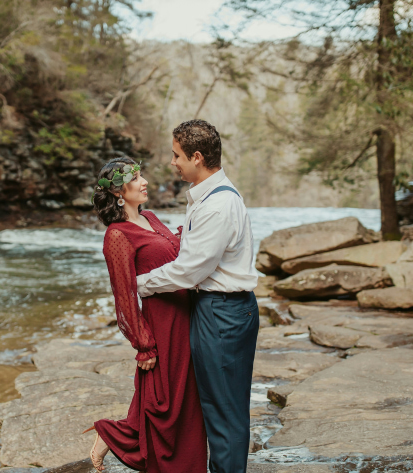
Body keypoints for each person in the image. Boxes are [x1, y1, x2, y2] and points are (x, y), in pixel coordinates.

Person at [136, 119, 259, 473]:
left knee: (224, 413)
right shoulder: (207, 198)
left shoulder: (217, 206)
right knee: (217, 407)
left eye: (177, 156)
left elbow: (190, 270)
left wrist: (140, 284)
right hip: (218, 311)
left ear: (198, 157)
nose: (172, 162)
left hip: (223, 314)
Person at [85, 157, 208, 472]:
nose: (145, 183)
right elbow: (124, 294)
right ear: (117, 192)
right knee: (161, 402)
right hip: (161, 324)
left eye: (142, 176)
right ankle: (113, 437)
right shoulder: (117, 235)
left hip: (186, 317)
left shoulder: (151, 218)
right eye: (136, 178)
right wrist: (143, 344)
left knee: (187, 400)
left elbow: (175, 256)